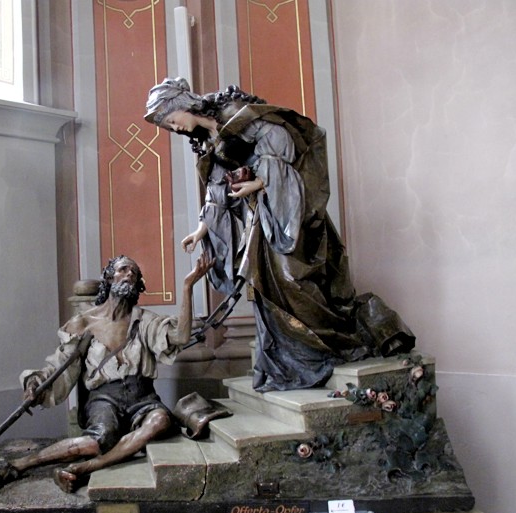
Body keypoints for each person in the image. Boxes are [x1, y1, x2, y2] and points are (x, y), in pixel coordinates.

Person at [144, 78, 415, 391]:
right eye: (168, 126)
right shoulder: (207, 139)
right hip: (261, 217)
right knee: (264, 287)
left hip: (287, 210)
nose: (174, 128)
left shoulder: (235, 113)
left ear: (183, 104)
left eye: (171, 120)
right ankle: (292, 361)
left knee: (293, 279)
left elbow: (281, 144)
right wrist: (201, 228)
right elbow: (217, 189)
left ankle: (344, 338)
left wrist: (259, 182)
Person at [0, 253, 214, 494]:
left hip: (142, 397)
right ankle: (17, 466)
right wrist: (36, 383)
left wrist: (187, 286)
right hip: (104, 399)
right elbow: (60, 364)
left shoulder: (144, 321)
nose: (129, 274)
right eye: (123, 269)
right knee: (99, 439)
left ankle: (84, 468)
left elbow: (180, 336)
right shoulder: (84, 323)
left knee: (160, 421)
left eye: (134, 273)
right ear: (109, 278)